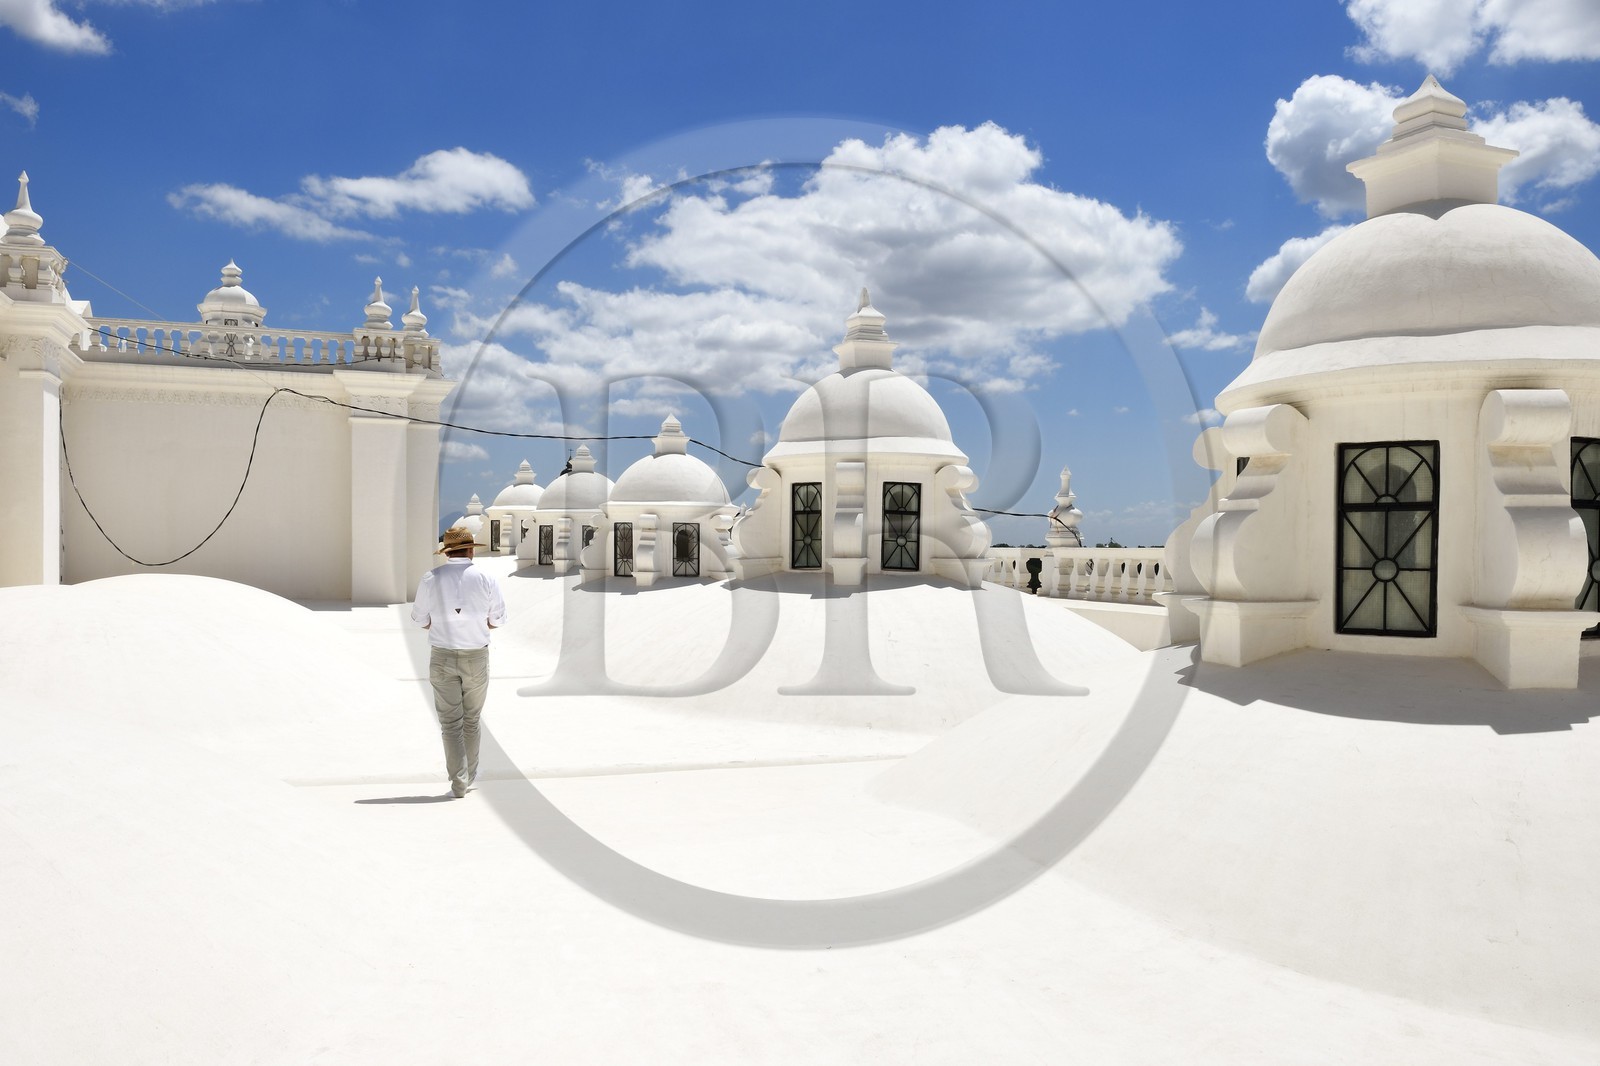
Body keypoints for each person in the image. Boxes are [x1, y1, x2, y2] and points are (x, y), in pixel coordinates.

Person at [411, 526, 506, 798]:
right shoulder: (487, 578)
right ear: (471, 550)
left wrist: (443, 624)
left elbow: (419, 619)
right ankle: (469, 776)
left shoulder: (430, 578)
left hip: (442, 655)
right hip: (476, 655)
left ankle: (458, 780)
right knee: (471, 720)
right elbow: (497, 620)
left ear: (447, 552)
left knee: (450, 723)